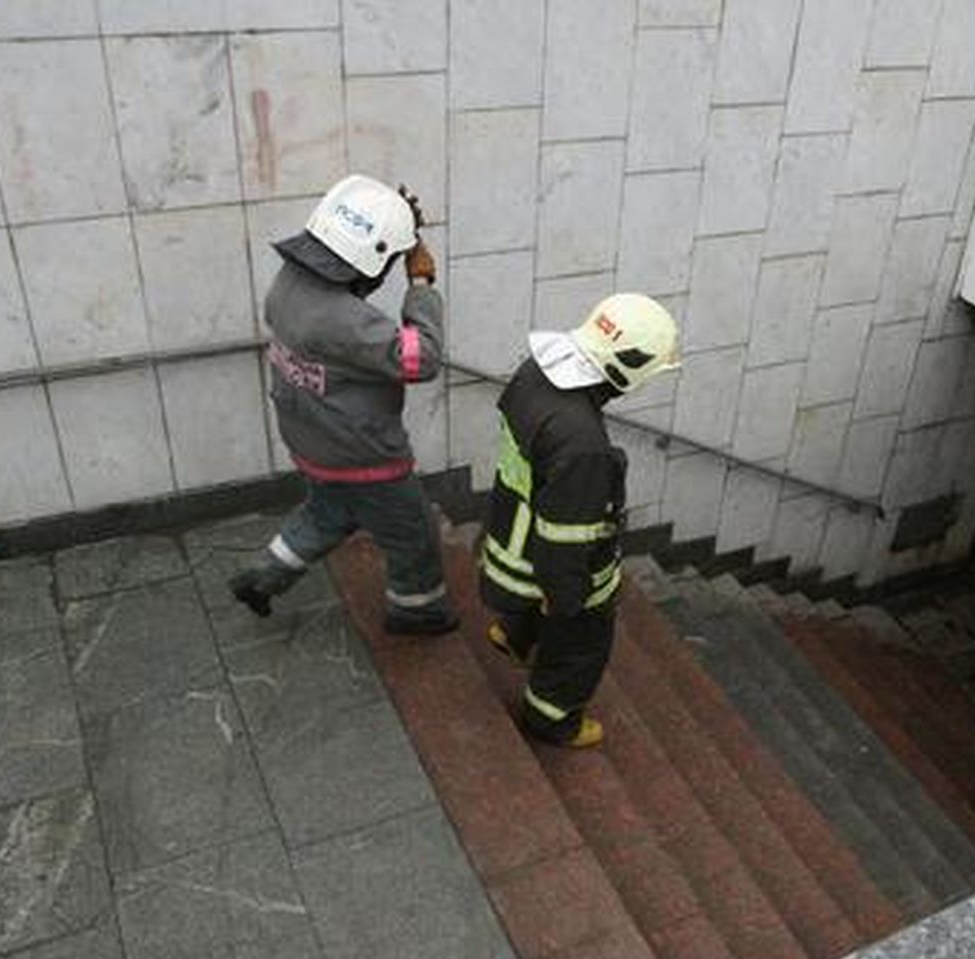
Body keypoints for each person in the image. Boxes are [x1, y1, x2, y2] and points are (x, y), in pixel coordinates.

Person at [229, 174, 457, 634]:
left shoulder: (288, 285)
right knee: (413, 534)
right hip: (364, 455)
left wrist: (395, 232)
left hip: (312, 440)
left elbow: (346, 285)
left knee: (328, 513)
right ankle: (418, 609)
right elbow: (423, 359)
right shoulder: (349, 324)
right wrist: (420, 282)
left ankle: (264, 575)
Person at [478, 294, 682, 748]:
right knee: (583, 643)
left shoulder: (535, 371)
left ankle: (513, 635)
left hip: (510, 531)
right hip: (544, 563)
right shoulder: (584, 448)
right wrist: (567, 599)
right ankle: (551, 717)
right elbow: (566, 544)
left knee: (538, 602)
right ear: (628, 369)